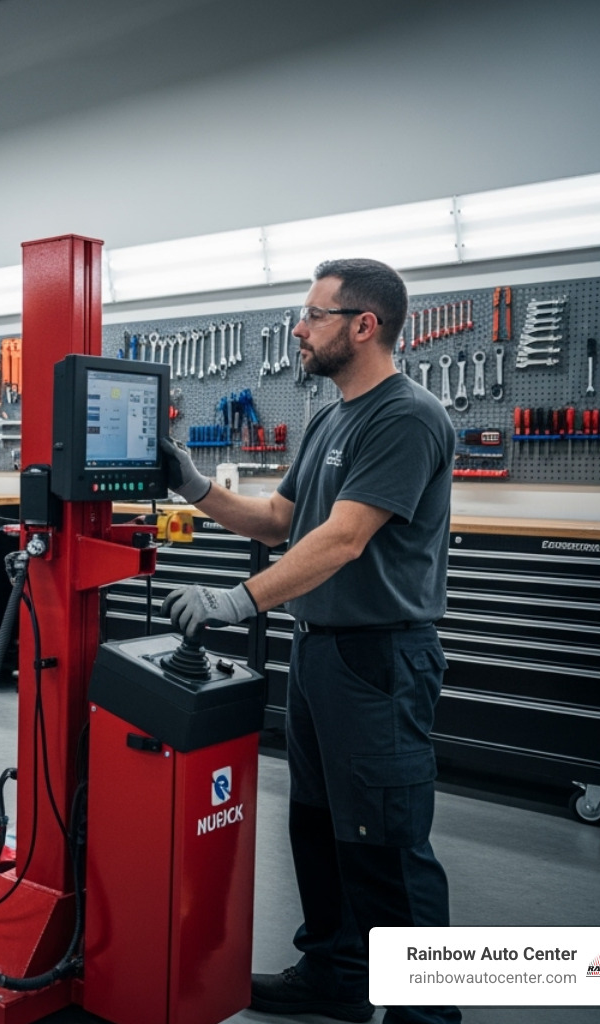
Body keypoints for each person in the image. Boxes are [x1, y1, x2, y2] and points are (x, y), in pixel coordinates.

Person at [158, 258, 459, 1024]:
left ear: (364, 325)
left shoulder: (407, 415)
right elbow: (280, 522)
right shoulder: (332, 415)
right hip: (323, 651)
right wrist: (194, 484)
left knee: (385, 840)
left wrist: (237, 598)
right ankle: (337, 974)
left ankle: (427, 1014)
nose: (299, 327)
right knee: (321, 827)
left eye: (314, 314)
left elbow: (345, 539)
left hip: (381, 658)